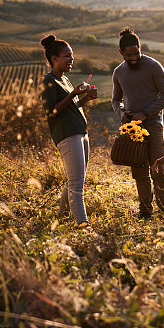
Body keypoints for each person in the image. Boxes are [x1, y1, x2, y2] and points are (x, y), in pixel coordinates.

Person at [111, 27, 164, 219]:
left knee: (159, 171)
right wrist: (121, 112)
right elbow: (115, 100)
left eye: (136, 53)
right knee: (139, 173)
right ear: (121, 53)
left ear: (140, 49)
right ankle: (145, 212)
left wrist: (145, 114)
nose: (133, 58)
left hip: (154, 126)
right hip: (132, 130)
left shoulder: (153, 66)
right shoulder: (118, 72)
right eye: (128, 55)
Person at [40, 34, 98, 226]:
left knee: (75, 178)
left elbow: (71, 107)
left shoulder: (65, 80)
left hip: (80, 133)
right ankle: (83, 224)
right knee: (76, 184)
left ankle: (62, 216)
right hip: (67, 136)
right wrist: (73, 93)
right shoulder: (48, 81)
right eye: (67, 56)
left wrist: (84, 99)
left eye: (72, 56)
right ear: (54, 59)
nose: (71, 59)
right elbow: (51, 112)